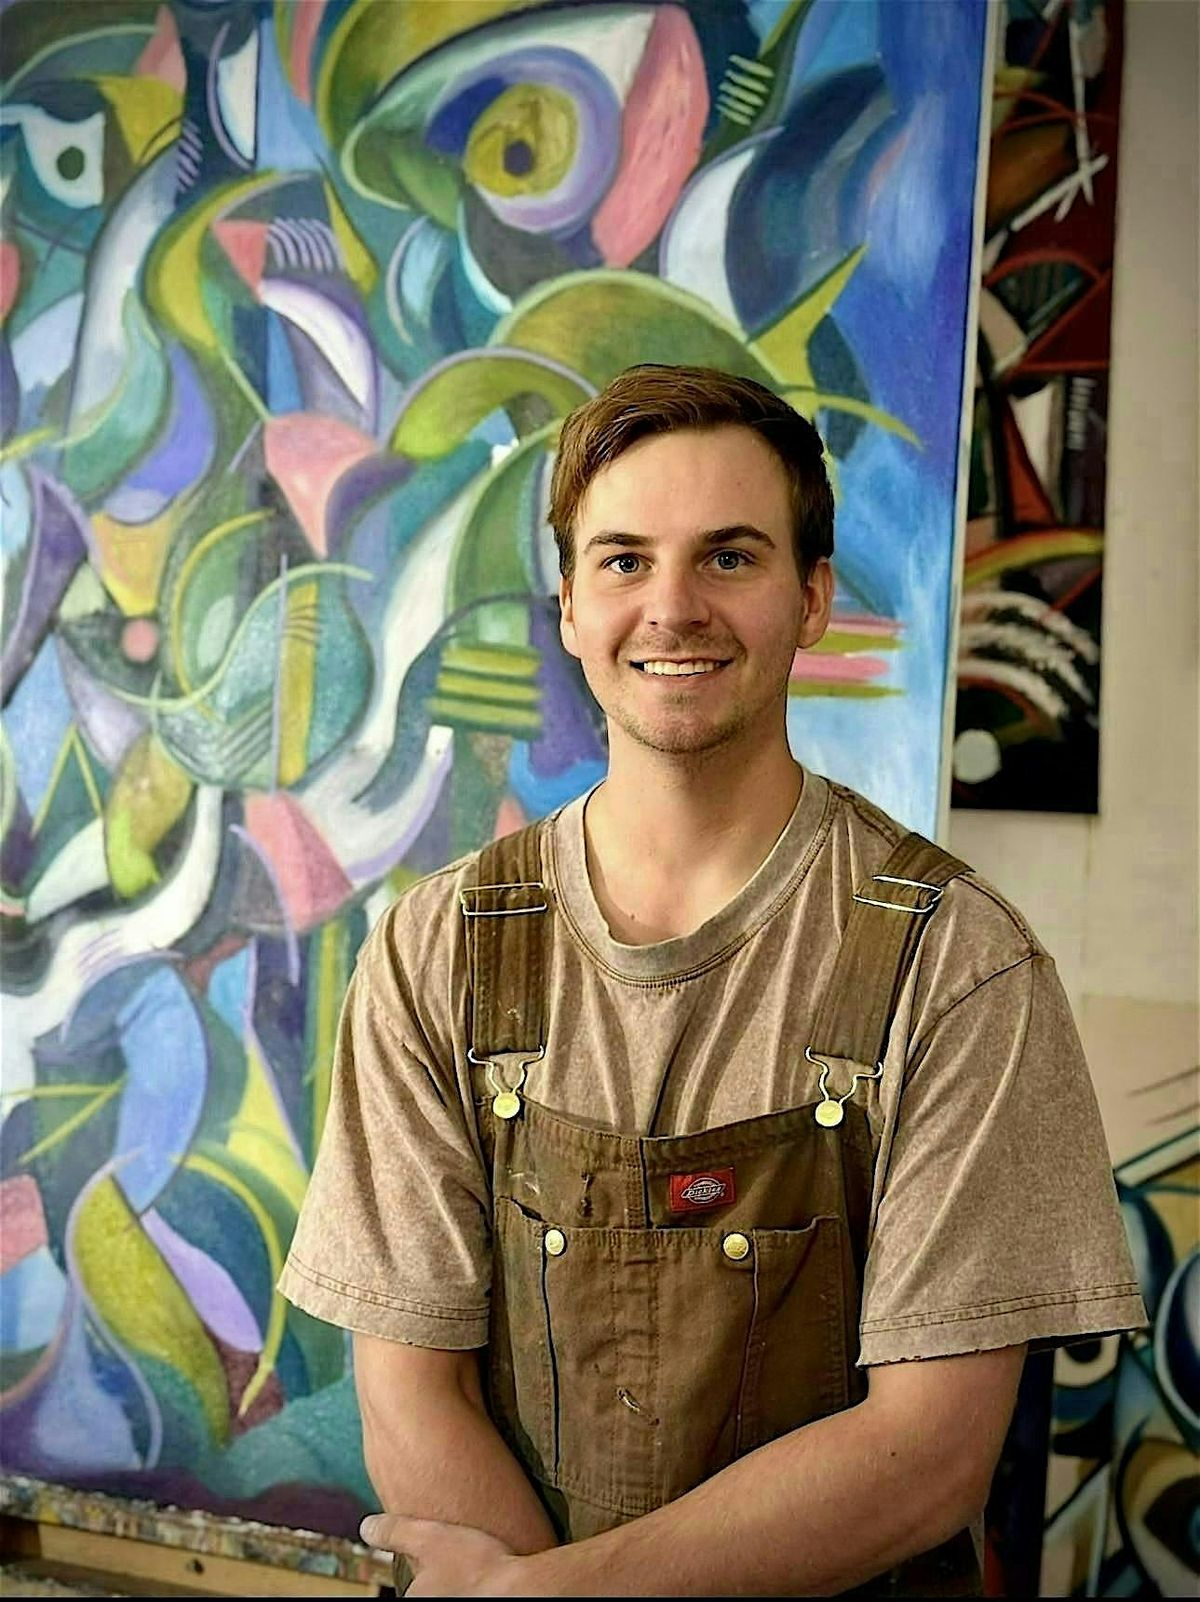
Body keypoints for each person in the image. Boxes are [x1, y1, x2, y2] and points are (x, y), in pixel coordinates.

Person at [278, 365, 1145, 1597]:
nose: (672, 608)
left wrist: (547, 1597)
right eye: (624, 561)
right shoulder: (438, 949)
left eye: (729, 557)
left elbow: (929, 1456)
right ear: (570, 605)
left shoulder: (956, 964)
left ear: (813, 598)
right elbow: (410, 1391)